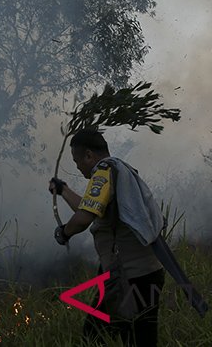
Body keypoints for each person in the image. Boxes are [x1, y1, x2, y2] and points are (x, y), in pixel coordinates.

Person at [49, 128, 165, 347]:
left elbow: (84, 218)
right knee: (134, 337)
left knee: (96, 336)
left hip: (130, 277)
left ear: (89, 156)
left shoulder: (103, 171)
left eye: (77, 161)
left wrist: (63, 233)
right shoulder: (119, 170)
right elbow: (90, 208)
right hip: (142, 273)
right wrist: (63, 189)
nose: (78, 167)